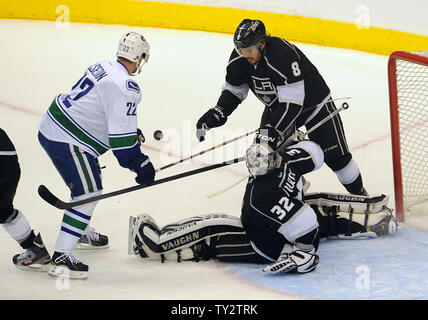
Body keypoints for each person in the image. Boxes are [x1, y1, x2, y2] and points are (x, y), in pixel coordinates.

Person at [128, 138, 397, 274]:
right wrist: (297, 141)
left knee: (210, 229)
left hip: (266, 245)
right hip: (286, 219)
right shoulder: (287, 159)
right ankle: (374, 218)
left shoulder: (261, 195)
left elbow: (304, 225)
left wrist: (304, 253)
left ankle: (155, 244)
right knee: (321, 209)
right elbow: (315, 152)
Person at [196, 18, 368, 197]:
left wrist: (272, 131)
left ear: (262, 43)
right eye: (240, 49)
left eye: (248, 50)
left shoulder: (282, 54)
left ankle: (361, 195)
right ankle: (293, 189)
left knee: (338, 159)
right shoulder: (239, 59)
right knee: (262, 160)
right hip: (277, 109)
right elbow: (234, 91)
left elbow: (293, 103)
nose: (244, 54)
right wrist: (219, 111)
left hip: (314, 106)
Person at [38, 32, 156, 279]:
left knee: (85, 186)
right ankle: (61, 256)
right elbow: (123, 149)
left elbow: (96, 108)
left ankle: (78, 229)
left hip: (52, 124)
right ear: (141, 57)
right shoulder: (127, 87)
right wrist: (141, 164)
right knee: (88, 192)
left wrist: (128, 131)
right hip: (67, 140)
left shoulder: (102, 67)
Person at [0, 128, 51, 271]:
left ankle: (35, 250)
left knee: (3, 211)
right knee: (3, 211)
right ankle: (35, 250)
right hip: (6, 160)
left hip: (3, 162)